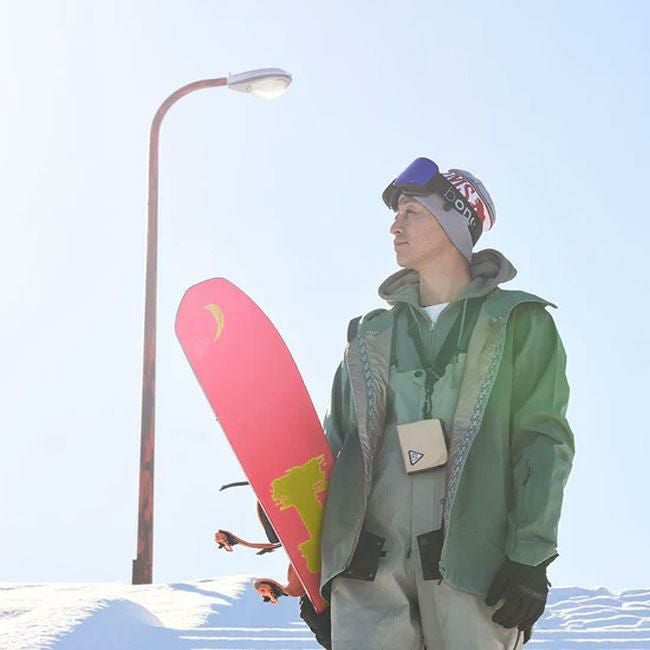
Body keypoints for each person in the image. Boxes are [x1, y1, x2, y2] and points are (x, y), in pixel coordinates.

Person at [300, 158, 575, 649]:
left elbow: (542, 442)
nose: (395, 226)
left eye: (412, 213)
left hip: (472, 570)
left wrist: (529, 557)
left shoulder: (517, 323)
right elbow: (334, 446)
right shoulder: (371, 335)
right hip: (369, 572)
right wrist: (312, 571)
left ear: (454, 225)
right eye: (396, 215)